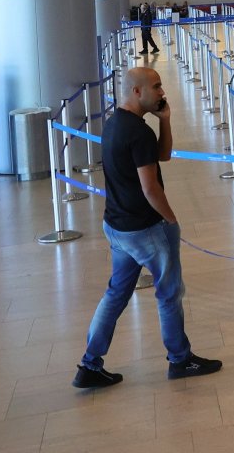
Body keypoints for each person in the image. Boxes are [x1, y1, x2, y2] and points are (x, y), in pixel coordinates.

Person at [74, 67, 221, 389]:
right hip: (144, 228)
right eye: (156, 86)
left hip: (117, 226)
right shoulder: (137, 133)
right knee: (169, 293)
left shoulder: (116, 125)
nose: (162, 91)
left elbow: (163, 156)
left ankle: (89, 365)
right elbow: (150, 188)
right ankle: (180, 359)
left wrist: (165, 120)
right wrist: (170, 219)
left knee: (115, 294)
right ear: (136, 92)